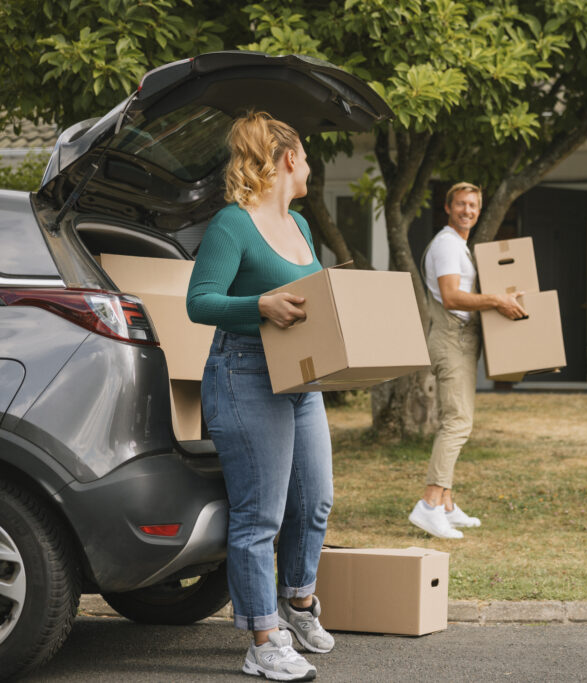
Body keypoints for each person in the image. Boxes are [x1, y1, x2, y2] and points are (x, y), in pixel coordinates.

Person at [187, 111, 334, 682]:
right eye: (307, 155)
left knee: (315, 501)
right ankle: (261, 637)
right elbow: (200, 302)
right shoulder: (232, 224)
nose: (310, 165)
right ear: (289, 158)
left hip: (301, 378)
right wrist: (260, 306)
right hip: (244, 374)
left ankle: (297, 604)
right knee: (259, 517)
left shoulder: (300, 225)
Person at [407, 182, 526, 539]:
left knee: (454, 418)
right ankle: (428, 504)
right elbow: (451, 296)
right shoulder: (446, 245)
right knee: (457, 423)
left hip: (459, 340)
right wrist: (495, 301)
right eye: (461, 204)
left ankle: (445, 504)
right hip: (450, 339)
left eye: (473, 205)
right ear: (448, 207)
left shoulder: (459, 245)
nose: (468, 211)